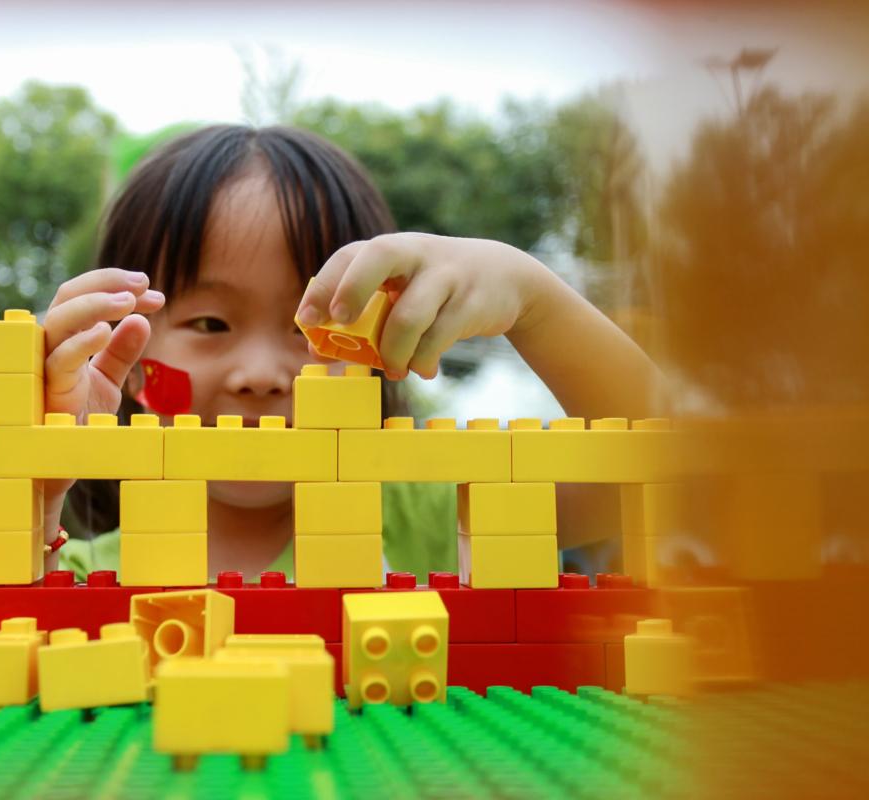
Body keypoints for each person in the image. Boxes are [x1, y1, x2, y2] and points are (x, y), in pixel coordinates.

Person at [39, 125, 659, 581]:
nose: (260, 375)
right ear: (126, 346)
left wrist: (534, 299)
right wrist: (40, 482)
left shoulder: (438, 511)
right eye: (210, 322)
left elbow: (657, 457)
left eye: (315, 326)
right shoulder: (70, 571)